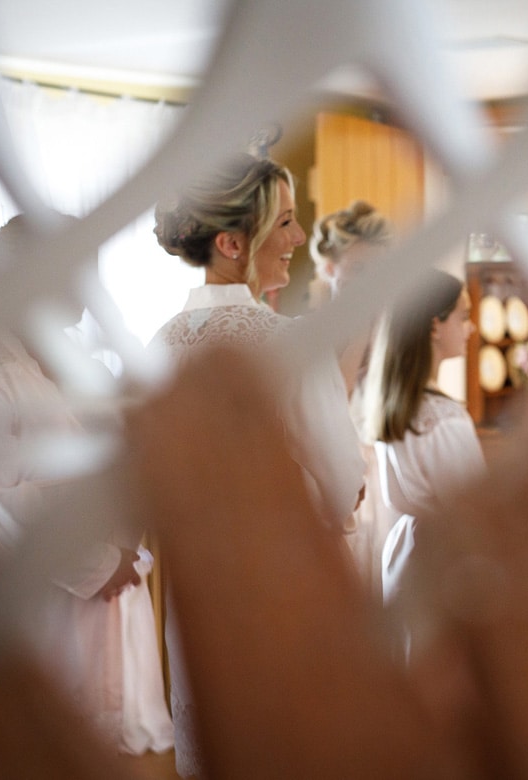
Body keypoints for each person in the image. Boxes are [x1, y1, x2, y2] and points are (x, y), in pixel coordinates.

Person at [151, 153, 366, 778]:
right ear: (231, 241)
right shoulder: (285, 344)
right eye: (286, 223)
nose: (299, 239)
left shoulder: (157, 346)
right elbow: (343, 481)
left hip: (197, 602)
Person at [0, 214, 174, 755]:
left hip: (80, 577)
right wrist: (99, 563)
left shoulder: (64, 355)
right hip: (28, 581)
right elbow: (0, 496)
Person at [359, 269, 485, 605]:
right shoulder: (445, 420)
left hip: (404, 555)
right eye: (464, 317)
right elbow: (475, 518)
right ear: (434, 325)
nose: (471, 328)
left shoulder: (398, 406)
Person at [310, 201, 401, 592]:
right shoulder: (313, 334)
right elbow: (334, 406)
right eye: (359, 269)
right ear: (330, 268)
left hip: (392, 477)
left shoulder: (393, 327)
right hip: (344, 477)